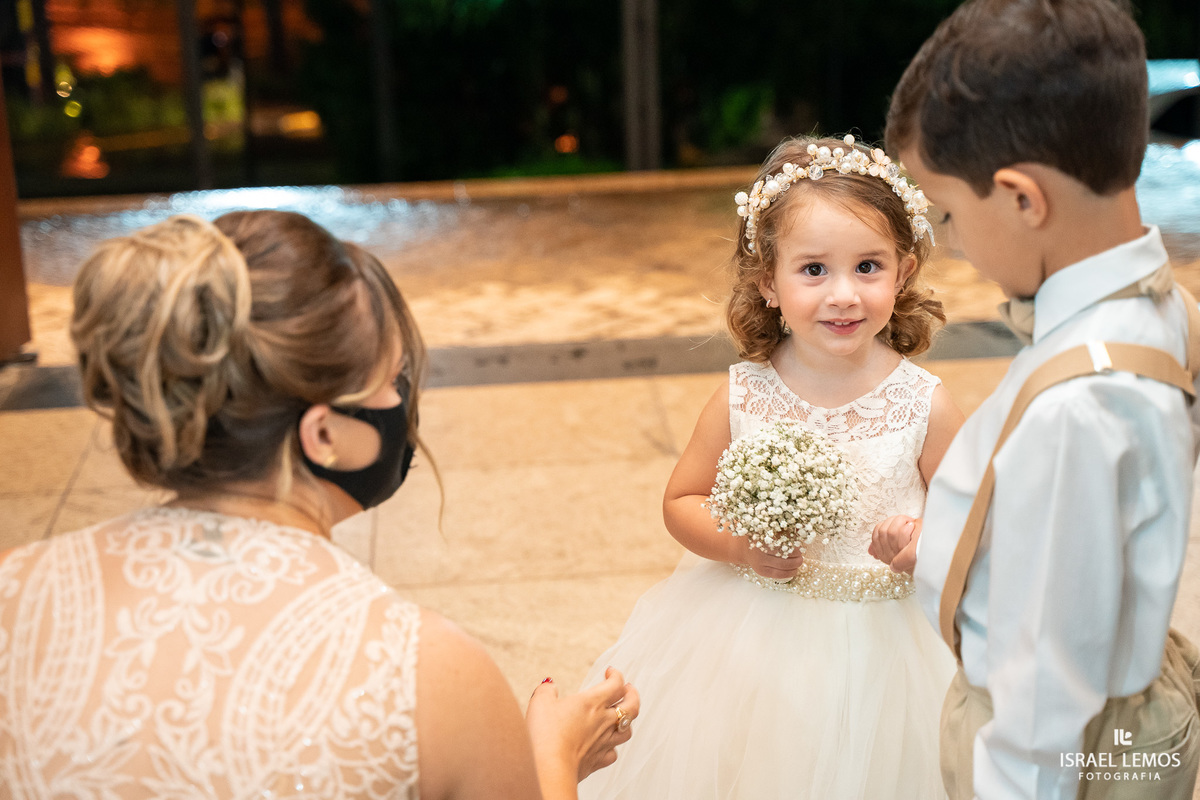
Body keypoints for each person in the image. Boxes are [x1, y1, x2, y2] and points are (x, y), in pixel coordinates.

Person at [0, 210, 639, 799]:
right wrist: (553, 756)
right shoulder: (430, 675)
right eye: (391, 383)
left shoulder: (15, 590)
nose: (403, 404)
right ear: (324, 434)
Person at [874, 1, 1200, 798]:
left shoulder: (1076, 409)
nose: (950, 240)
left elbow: (1043, 704)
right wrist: (957, 543)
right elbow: (1092, 543)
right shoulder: (1160, 308)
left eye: (950, 212)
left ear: (1023, 199)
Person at [577, 133, 963, 799]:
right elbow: (682, 500)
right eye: (814, 270)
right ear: (769, 282)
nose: (843, 294)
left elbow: (975, 524)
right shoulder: (744, 393)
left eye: (867, 267)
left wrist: (922, 546)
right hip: (755, 634)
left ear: (902, 273)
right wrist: (741, 547)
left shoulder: (925, 405)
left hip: (890, 648)